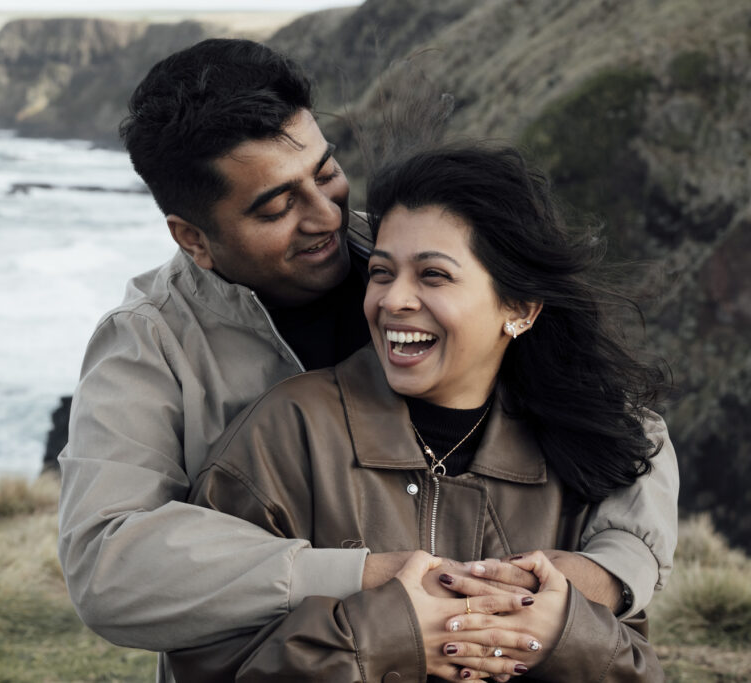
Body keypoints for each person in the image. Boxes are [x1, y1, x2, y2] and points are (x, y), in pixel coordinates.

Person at [57, 39, 677, 682]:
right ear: (194, 239)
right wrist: (369, 580)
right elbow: (109, 566)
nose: (326, 216)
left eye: (325, 173)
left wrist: (588, 581)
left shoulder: (405, 254)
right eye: (276, 206)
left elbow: (621, 421)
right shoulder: (149, 340)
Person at [168, 145, 672, 681]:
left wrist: (558, 636)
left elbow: (638, 664)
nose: (393, 300)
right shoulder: (287, 433)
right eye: (382, 273)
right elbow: (208, 659)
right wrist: (384, 637)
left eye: (433, 276)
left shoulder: (582, 449)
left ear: (519, 309)